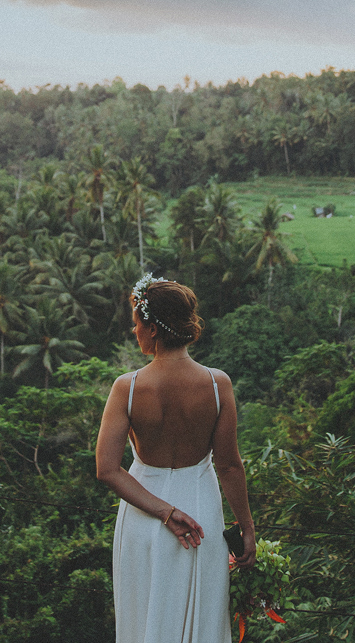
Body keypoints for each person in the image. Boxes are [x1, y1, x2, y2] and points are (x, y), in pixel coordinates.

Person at [96, 275, 256, 643]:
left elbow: (107, 469)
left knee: (145, 616)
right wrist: (246, 527)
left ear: (153, 329)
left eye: (136, 323)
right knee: (201, 614)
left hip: (143, 511)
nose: (133, 330)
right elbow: (229, 465)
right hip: (202, 513)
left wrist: (164, 511)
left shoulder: (128, 388)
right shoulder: (218, 385)